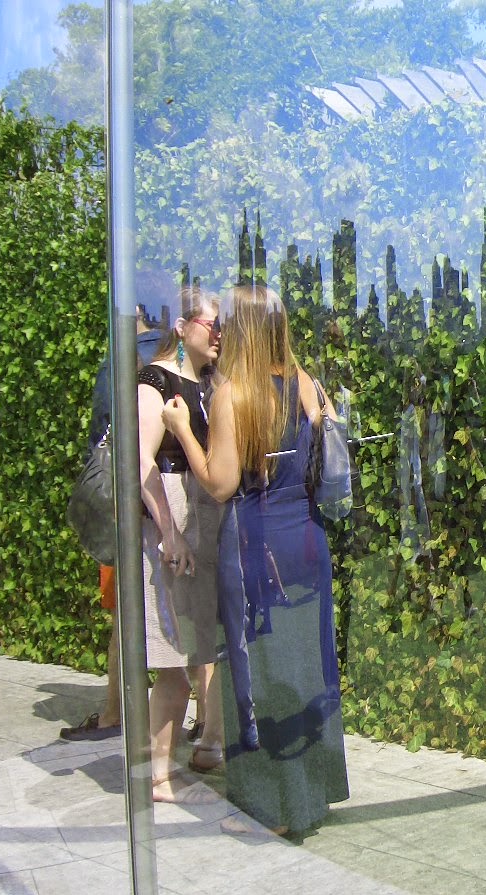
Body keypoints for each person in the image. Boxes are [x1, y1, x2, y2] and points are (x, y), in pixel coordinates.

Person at [164, 283, 349, 837]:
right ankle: (312, 792)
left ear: (242, 329)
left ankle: (272, 810)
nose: (219, 331)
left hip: (255, 542)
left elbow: (221, 484)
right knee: (307, 666)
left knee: (258, 670)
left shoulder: (234, 396)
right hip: (307, 539)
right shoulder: (305, 383)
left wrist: (182, 431)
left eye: (226, 322)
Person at [136, 289, 226, 801]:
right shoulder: (156, 380)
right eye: (212, 326)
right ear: (182, 326)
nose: (219, 336)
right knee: (172, 657)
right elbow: (141, 460)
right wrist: (169, 533)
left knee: (203, 649)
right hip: (172, 515)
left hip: (205, 518)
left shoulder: (210, 383)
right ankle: (159, 776)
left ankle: (207, 747)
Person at [62, 304, 166, 742]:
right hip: (175, 496)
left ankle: (114, 713)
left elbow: (103, 432)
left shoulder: (121, 359)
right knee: (184, 610)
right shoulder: (174, 356)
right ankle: (205, 722)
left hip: (131, 501)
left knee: (126, 610)